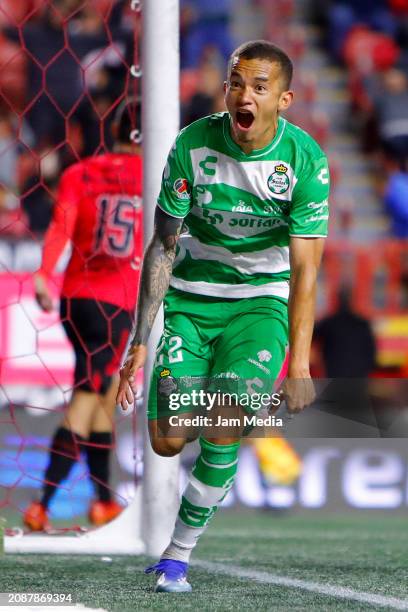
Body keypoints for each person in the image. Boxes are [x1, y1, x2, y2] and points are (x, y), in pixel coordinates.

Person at [117, 40, 330, 593]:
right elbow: (163, 247)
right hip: (190, 300)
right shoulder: (192, 144)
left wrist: (300, 364)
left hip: (260, 307)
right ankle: (208, 461)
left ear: (283, 99)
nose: (245, 95)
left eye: (259, 87)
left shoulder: (304, 161)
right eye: (237, 83)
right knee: (168, 438)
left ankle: (176, 555)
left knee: (224, 419)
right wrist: (140, 338)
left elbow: (306, 273)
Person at [23, 99, 143, 531]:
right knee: (88, 399)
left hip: (76, 299)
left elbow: (61, 225)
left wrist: (42, 273)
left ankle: (103, 501)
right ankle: (42, 504)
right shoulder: (156, 181)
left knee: (104, 400)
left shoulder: (80, 172)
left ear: (113, 129)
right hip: (116, 305)